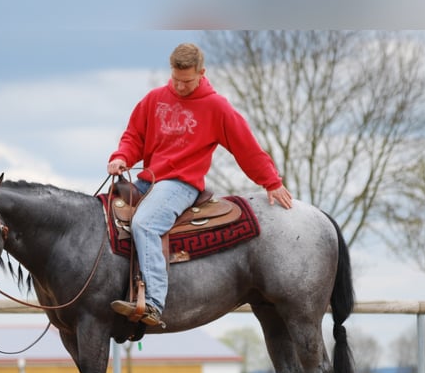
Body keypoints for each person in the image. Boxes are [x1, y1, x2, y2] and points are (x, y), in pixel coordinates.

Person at [108, 42, 293, 327]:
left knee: (145, 224)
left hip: (181, 184)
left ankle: (154, 303)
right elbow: (134, 137)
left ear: (202, 73)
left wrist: (271, 181)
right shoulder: (154, 100)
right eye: (175, 80)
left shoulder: (216, 107)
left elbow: (246, 147)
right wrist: (121, 157)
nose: (180, 87)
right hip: (149, 180)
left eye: (187, 81)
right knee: (104, 218)